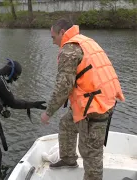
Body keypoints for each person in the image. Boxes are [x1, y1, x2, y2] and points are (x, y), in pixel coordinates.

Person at [40, 18, 125, 180]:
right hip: (102, 98)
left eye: (53, 37)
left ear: (62, 33)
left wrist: (48, 112)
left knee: (91, 153)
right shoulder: (86, 41)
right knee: (66, 123)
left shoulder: (69, 50)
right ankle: (68, 159)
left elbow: (63, 87)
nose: (53, 42)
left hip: (95, 108)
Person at [0, 59, 47, 172]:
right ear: (11, 73)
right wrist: (33, 105)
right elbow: (13, 103)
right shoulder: (0, 82)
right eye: (15, 78)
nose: (13, 81)